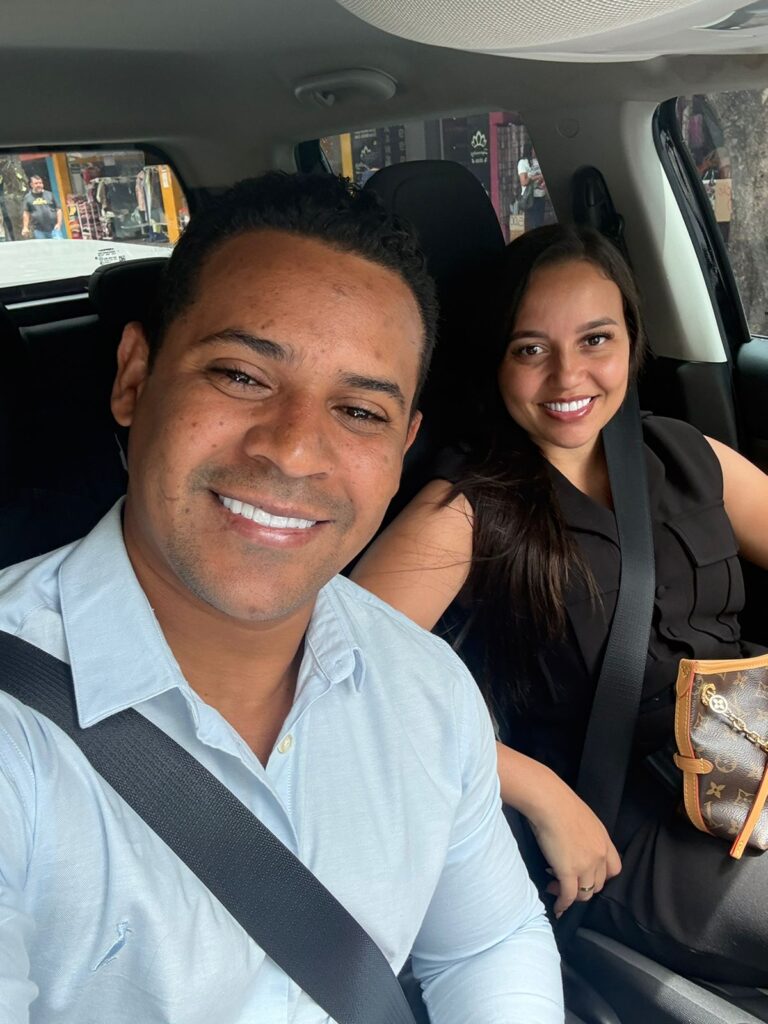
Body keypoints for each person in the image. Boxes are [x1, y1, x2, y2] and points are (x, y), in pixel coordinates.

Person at [0, 173, 562, 1023]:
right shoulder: (19, 733)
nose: (295, 450)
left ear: (404, 448)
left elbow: (487, 944)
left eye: (360, 413)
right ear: (135, 377)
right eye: (241, 375)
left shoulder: (426, 689)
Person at [352, 223, 768, 985]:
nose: (568, 375)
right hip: (624, 823)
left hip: (752, 761)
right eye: (530, 349)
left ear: (632, 342)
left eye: (596, 340)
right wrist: (537, 791)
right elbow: (344, 675)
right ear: (497, 360)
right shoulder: (469, 508)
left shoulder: (687, 455)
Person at [20, 174, 62, 239]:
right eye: (36, 183)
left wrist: (59, 224)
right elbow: (26, 213)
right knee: (43, 246)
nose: (39, 185)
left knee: (58, 245)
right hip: (39, 230)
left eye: (40, 183)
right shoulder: (28, 197)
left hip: (54, 229)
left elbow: (58, 210)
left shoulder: (49, 194)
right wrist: (25, 227)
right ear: (31, 185)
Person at [517, 144, 547, 231]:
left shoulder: (538, 160)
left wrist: (543, 180)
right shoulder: (523, 162)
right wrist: (538, 177)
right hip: (531, 197)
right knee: (535, 223)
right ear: (529, 149)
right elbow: (524, 182)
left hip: (541, 195)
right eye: (533, 149)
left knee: (540, 222)